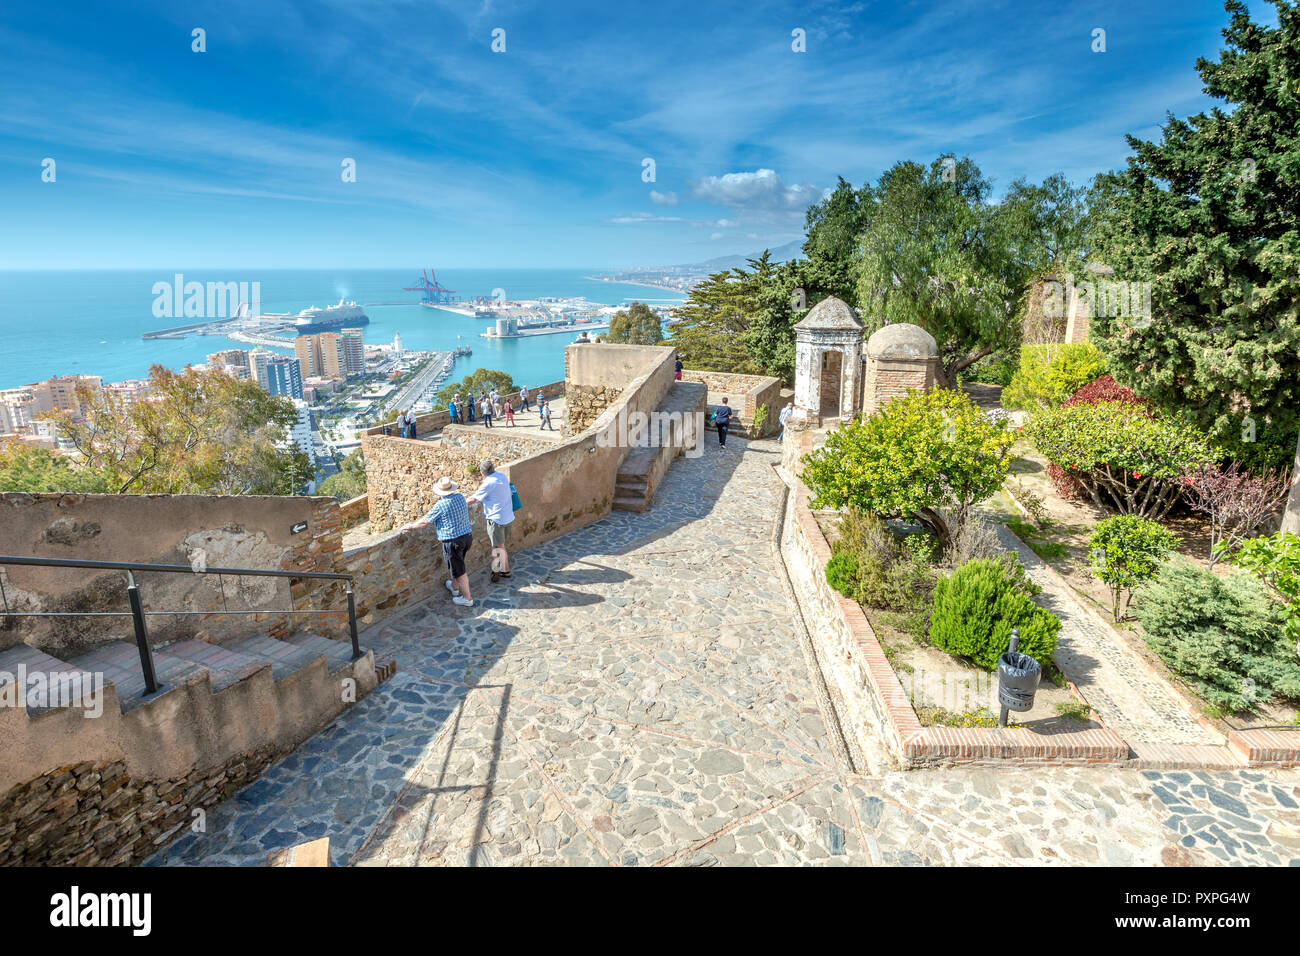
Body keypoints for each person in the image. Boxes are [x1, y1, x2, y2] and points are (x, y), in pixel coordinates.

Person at [401, 476, 475, 607]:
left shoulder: (441, 505)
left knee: (460, 570)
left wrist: (411, 526)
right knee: (457, 564)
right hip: (467, 537)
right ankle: (454, 587)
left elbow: (425, 521)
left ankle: (467, 598)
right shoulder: (460, 497)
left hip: (453, 542)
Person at [466, 459, 515, 583]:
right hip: (508, 517)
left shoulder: (488, 483)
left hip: (497, 519)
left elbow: (473, 500)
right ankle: (495, 568)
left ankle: (505, 571)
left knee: (500, 546)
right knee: (496, 544)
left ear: (482, 473)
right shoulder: (501, 476)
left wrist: (458, 503)